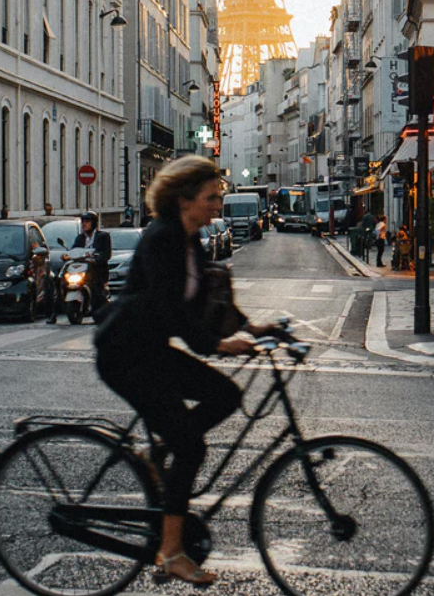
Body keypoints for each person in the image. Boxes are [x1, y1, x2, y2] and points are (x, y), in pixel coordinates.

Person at [93, 156, 275, 586]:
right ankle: (171, 552)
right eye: (211, 197)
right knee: (191, 447)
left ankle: (160, 453)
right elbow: (169, 310)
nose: (218, 204)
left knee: (226, 395)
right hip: (126, 355)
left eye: (219, 196)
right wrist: (216, 345)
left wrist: (251, 327)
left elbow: (212, 298)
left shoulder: (192, 240)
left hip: (152, 351)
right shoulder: (162, 239)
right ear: (184, 199)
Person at [49, 210, 112, 324]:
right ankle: (54, 313)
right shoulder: (80, 238)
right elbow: (74, 250)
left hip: (96, 269)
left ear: (94, 223)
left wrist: (96, 259)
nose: (84, 224)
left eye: (87, 221)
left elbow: (106, 254)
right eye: (83, 221)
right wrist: (66, 256)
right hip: (81, 267)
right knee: (60, 281)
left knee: (95, 287)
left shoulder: (103, 236)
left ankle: (98, 309)